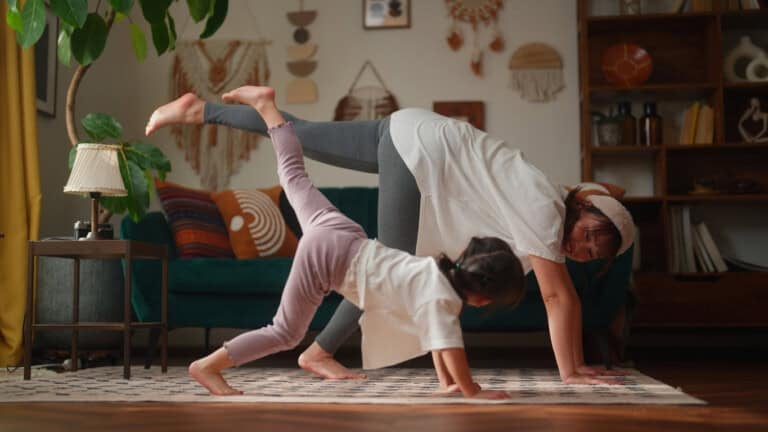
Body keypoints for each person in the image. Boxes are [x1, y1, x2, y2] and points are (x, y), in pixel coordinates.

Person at [146, 93, 634, 385]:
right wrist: (571, 371)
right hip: (420, 153)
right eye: (589, 235)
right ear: (582, 207)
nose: (581, 250)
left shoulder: (550, 200)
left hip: (411, 127)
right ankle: (319, 351)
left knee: (302, 134)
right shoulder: (547, 208)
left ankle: (200, 111)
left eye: (594, 253)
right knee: (388, 269)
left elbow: (564, 281)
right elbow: (556, 294)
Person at [184, 86, 526, 399]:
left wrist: (447, 383)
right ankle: (207, 366)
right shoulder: (443, 298)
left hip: (342, 233)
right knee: (285, 333)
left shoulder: (436, 272)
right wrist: (469, 391)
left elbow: (437, 340)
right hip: (331, 255)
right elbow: (449, 345)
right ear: (483, 297)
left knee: (294, 176)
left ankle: (267, 108)